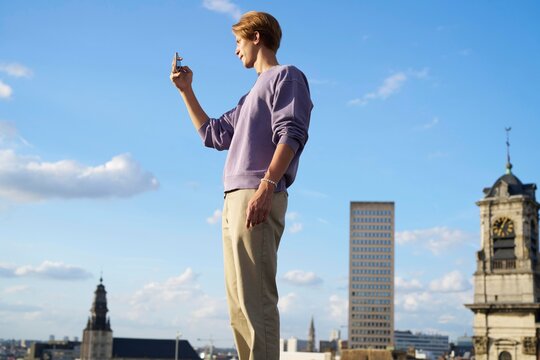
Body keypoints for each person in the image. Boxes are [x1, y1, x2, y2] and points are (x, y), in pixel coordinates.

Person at [170, 11, 312, 360]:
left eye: (238, 42)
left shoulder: (287, 76)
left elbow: (292, 132)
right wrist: (187, 91)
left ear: (256, 37)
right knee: (237, 301)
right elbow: (213, 134)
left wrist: (267, 185)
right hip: (234, 198)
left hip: (258, 192)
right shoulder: (250, 97)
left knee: (256, 298)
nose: (236, 51)